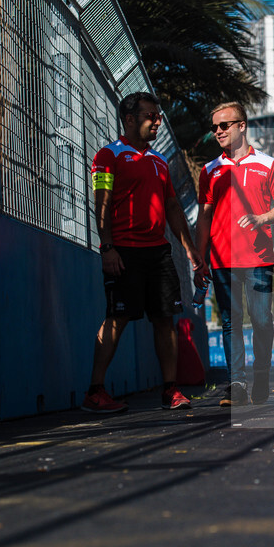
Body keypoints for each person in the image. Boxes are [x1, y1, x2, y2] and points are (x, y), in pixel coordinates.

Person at [83, 91, 203, 413]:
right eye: (151, 116)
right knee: (118, 318)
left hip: (159, 253)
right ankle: (95, 391)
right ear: (130, 119)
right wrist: (107, 246)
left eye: (159, 116)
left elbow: (173, 207)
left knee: (165, 319)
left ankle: (170, 391)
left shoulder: (159, 161)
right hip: (123, 251)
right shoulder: (108, 156)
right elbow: (101, 203)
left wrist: (190, 250)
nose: (157, 122)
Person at [195, 102, 274, 407]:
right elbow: (205, 217)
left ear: (241, 126)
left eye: (224, 125)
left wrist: (262, 219)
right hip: (222, 260)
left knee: (262, 320)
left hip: (259, 259)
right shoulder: (209, 171)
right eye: (214, 127)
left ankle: (262, 374)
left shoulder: (268, 164)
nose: (218, 132)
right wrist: (200, 257)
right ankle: (236, 383)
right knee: (231, 322)